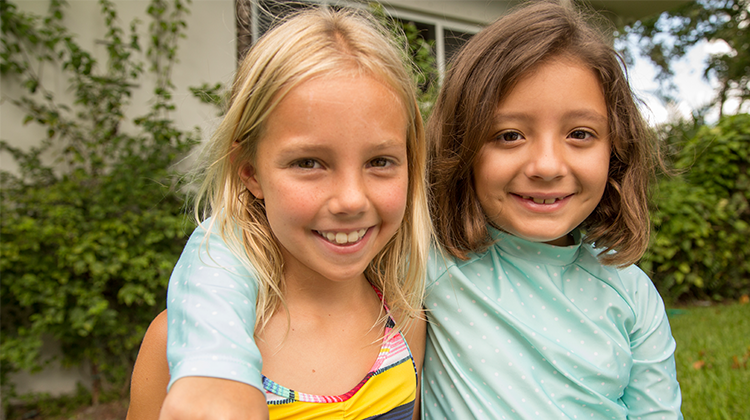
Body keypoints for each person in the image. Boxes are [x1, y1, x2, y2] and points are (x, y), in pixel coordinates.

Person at [147, 1, 683, 419]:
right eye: (510, 134)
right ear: (463, 146)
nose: (546, 164)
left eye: (581, 133)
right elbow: (226, 238)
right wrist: (214, 362)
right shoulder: (433, 259)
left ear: (617, 147)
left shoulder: (632, 298)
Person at [126, 7, 432, 420]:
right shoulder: (183, 347)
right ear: (249, 171)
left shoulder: (403, 316)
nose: (351, 200)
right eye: (308, 163)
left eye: (380, 161)